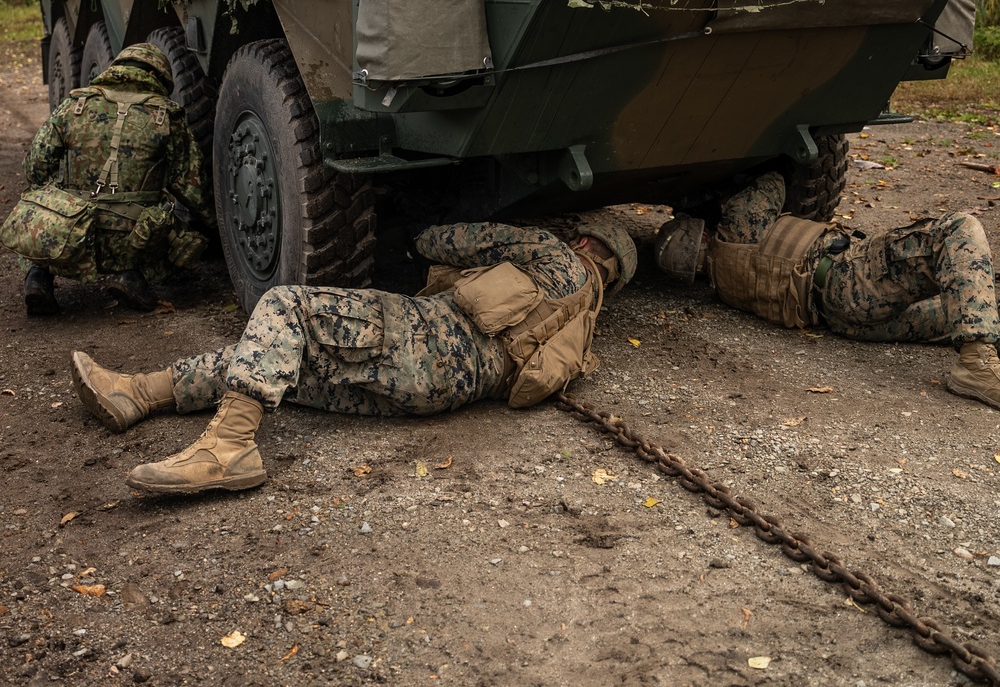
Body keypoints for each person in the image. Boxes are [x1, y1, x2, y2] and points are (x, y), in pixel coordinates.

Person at [68, 216, 637, 497]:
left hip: (414, 339)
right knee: (280, 359)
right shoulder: (584, 326)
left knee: (284, 307)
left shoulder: (549, 251)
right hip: (435, 395)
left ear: (585, 242)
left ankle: (227, 450)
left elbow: (440, 242)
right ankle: (136, 392)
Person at [654, 171, 1000, 408]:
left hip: (848, 321)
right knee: (957, 230)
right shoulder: (736, 229)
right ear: (702, 233)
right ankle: (976, 365)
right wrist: (720, 197)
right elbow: (771, 182)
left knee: (970, 302)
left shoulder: (724, 286)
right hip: (846, 281)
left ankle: (983, 358)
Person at [1, 42, 214, 315]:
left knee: (39, 208)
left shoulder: (75, 104)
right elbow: (192, 189)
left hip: (70, 234)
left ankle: (39, 276)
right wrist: (210, 228)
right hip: (132, 237)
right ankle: (130, 275)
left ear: (115, 69)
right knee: (174, 228)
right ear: (157, 76)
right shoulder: (167, 115)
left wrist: (58, 197)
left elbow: (35, 168)